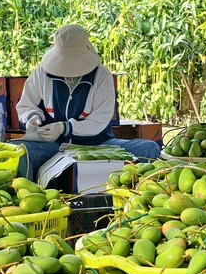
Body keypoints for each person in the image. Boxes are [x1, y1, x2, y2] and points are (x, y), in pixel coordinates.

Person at [17, 24, 160, 180]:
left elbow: (98, 121)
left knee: (148, 148)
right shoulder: (41, 73)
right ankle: (29, 194)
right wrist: (32, 117)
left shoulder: (101, 76)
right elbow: (26, 105)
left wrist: (64, 127)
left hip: (98, 146)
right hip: (53, 147)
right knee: (19, 151)